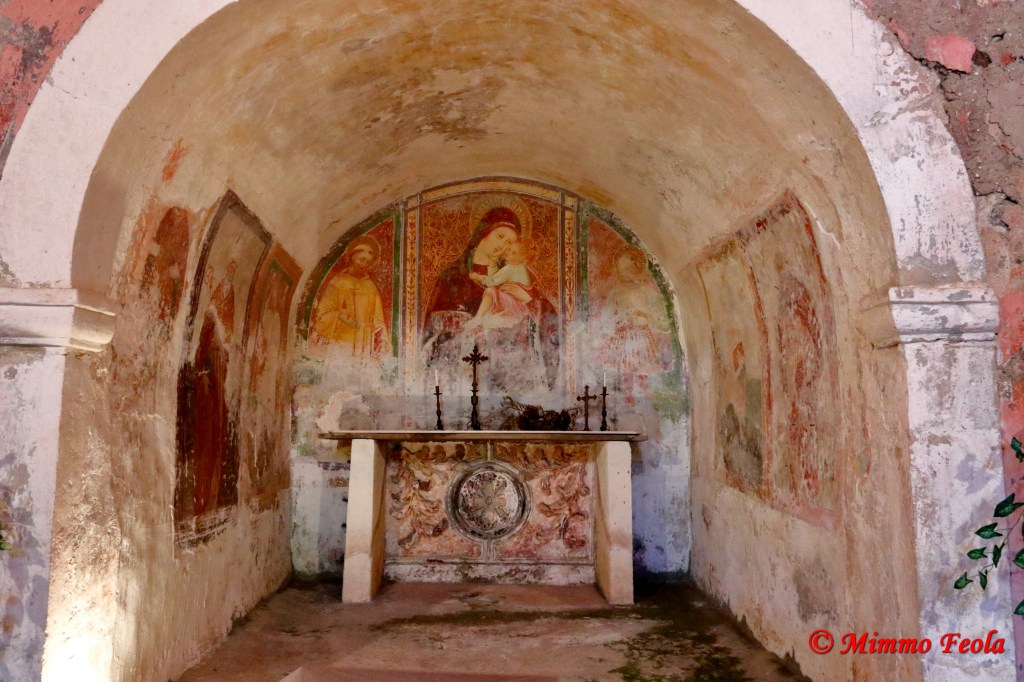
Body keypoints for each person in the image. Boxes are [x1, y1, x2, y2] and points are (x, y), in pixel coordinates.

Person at [313, 235, 387, 360]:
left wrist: (383, 339)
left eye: (368, 262)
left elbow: (378, 319)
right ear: (352, 257)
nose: (364, 264)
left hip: (364, 343)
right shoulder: (337, 282)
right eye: (361, 259)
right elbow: (323, 313)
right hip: (341, 341)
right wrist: (341, 316)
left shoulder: (371, 287)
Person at [466, 239, 537, 329]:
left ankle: (478, 318)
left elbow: (492, 282)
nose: (508, 252)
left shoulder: (511, 268)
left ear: (522, 258)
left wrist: (478, 277)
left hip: (514, 305)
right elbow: (496, 277)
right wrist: (493, 263)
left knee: (490, 292)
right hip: (517, 306)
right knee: (490, 319)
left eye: (514, 253)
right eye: (509, 249)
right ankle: (481, 320)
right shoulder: (520, 268)